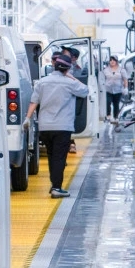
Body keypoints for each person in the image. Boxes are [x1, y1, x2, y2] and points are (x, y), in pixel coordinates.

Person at [26, 52, 88, 198]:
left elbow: (34, 101)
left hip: (45, 126)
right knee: (59, 157)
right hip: (62, 126)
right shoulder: (70, 83)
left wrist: (27, 118)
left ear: (54, 65)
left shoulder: (42, 82)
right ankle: (56, 187)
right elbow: (85, 91)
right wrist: (71, 77)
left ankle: (54, 184)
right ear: (67, 69)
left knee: (51, 155)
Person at [100, 56, 129, 123]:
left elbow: (125, 79)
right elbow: (102, 79)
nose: (112, 61)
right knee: (108, 102)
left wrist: (126, 88)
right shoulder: (106, 70)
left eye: (113, 60)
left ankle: (116, 117)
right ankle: (108, 116)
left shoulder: (122, 70)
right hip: (108, 90)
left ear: (116, 61)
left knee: (116, 104)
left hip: (118, 90)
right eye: (110, 60)